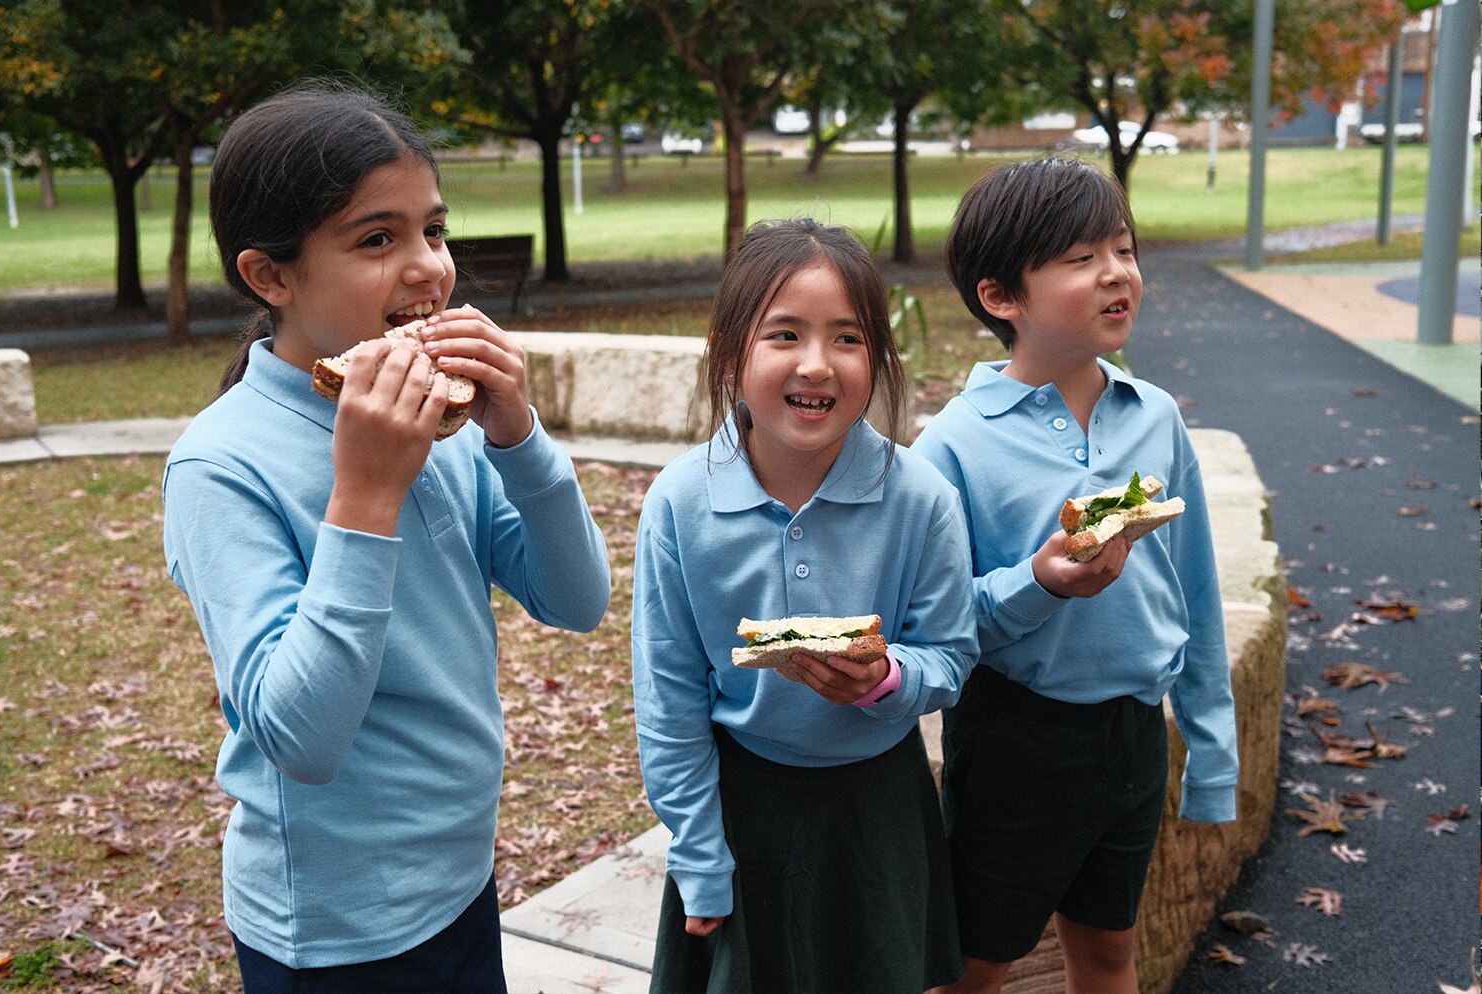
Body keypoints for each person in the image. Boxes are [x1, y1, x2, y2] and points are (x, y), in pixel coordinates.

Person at [161, 81, 611, 993]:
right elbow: (302, 739)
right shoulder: (221, 466)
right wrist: (364, 491)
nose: (429, 268)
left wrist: (519, 438)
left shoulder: (441, 424)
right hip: (333, 930)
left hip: (458, 879)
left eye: (433, 231)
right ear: (270, 275)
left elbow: (576, 600)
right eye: (378, 239)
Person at [910, 156, 1239, 994]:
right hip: (1018, 740)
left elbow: (1194, 590)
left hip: (1135, 734)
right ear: (1001, 297)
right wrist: (1041, 582)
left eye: (1124, 248)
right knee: (973, 966)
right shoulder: (954, 445)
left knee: (1108, 954)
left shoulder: (1154, 415)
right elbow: (936, 627)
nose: (1117, 273)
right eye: (1080, 256)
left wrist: (1212, 754)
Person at [631, 217, 979, 994]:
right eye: (783, 335)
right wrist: (699, 855)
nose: (816, 365)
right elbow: (669, 700)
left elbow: (951, 655)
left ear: (878, 357)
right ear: (730, 354)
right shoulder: (681, 504)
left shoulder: (920, 498)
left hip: (877, 807)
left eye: (848, 338)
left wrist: (889, 678)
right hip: (740, 809)